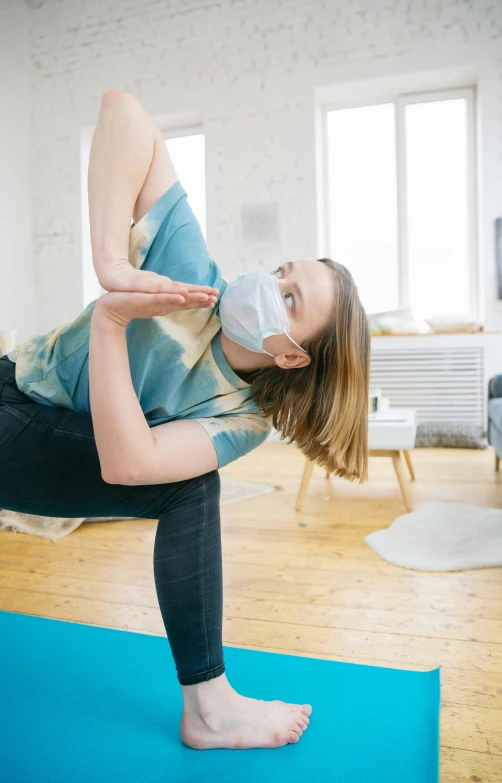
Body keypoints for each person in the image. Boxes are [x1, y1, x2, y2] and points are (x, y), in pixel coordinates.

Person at [0, 90, 371, 750]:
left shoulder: (242, 419)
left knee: (192, 483)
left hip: (29, 433)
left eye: (288, 297)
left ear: (291, 355)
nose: (268, 281)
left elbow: (128, 464)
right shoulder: (192, 272)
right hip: (12, 390)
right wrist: (114, 264)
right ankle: (208, 706)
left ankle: (207, 704)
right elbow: (120, 112)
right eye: (284, 269)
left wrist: (114, 319)